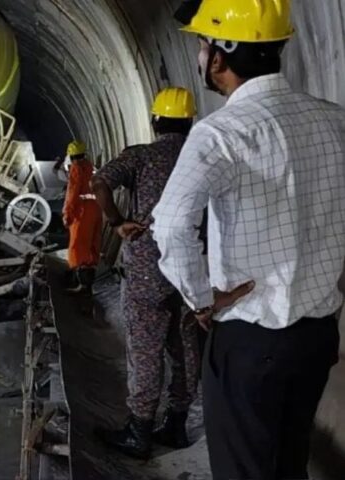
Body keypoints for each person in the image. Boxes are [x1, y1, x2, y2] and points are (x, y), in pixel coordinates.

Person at [152, 1, 345, 478]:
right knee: (288, 461)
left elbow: (173, 224)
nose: (199, 56)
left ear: (219, 56)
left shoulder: (219, 134)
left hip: (250, 340)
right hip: (318, 334)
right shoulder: (334, 120)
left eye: (201, 45)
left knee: (244, 468)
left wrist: (200, 298)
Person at [91, 87, 200, 459]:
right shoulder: (202, 155)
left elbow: (100, 181)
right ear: (190, 121)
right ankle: (177, 422)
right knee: (184, 346)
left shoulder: (142, 156)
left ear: (155, 121)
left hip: (146, 269)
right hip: (191, 267)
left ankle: (139, 430)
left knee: (145, 348)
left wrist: (117, 222)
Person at [62, 141, 101, 293]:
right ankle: (88, 284)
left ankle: (81, 284)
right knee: (92, 245)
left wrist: (67, 214)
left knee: (78, 246)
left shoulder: (76, 168)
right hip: (96, 207)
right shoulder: (91, 167)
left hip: (82, 209)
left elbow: (72, 193)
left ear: (71, 156)